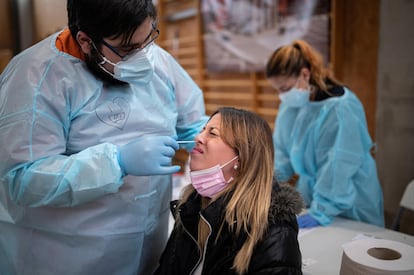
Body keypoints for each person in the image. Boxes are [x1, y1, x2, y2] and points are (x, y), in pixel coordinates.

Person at [0, 0, 208, 274]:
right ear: (86, 41)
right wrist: (116, 162)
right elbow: (21, 179)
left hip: (149, 243)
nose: (144, 56)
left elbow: (193, 122)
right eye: (128, 49)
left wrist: (209, 139)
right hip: (66, 255)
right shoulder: (36, 76)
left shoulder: (155, 59)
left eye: (149, 39)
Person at [154, 107, 303, 275]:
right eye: (203, 130)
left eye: (213, 133)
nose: (197, 138)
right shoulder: (191, 207)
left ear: (241, 157)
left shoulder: (274, 230)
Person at [265, 39, 384, 228]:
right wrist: (264, 183)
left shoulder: (341, 107)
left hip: (349, 198)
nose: (282, 96)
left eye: (285, 88)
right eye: (278, 90)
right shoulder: (291, 107)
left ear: (304, 74)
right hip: (313, 193)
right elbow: (281, 154)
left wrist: (322, 211)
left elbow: (339, 166)